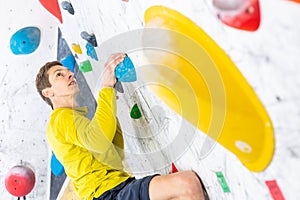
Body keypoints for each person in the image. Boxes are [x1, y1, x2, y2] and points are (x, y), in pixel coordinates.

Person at [35, 53, 209, 200]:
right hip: (105, 194)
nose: (70, 74)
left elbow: (115, 153)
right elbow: (99, 141)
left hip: (116, 187)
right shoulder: (60, 119)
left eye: (68, 71)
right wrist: (106, 87)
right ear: (48, 93)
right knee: (185, 184)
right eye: (59, 74)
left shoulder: (73, 120)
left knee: (180, 190)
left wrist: (110, 108)